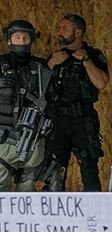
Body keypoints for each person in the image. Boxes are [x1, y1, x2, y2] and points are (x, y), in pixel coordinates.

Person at [0, 20, 52, 192]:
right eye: (17, 37)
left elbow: (53, 100)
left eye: (25, 37)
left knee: (27, 190)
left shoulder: (41, 68)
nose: (21, 41)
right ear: (8, 40)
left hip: (33, 139)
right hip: (5, 139)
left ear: (31, 41)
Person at [45, 14, 109, 191]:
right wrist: (50, 64)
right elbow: (39, 86)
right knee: (55, 172)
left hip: (83, 119)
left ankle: (95, 216)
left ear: (78, 32)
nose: (60, 32)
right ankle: (53, 215)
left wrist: (86, 60)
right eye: (60, 28)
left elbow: (101, 83)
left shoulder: (93, 55)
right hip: (58, 119)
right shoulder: (55, 56)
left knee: (89, 169)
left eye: (64, 28)